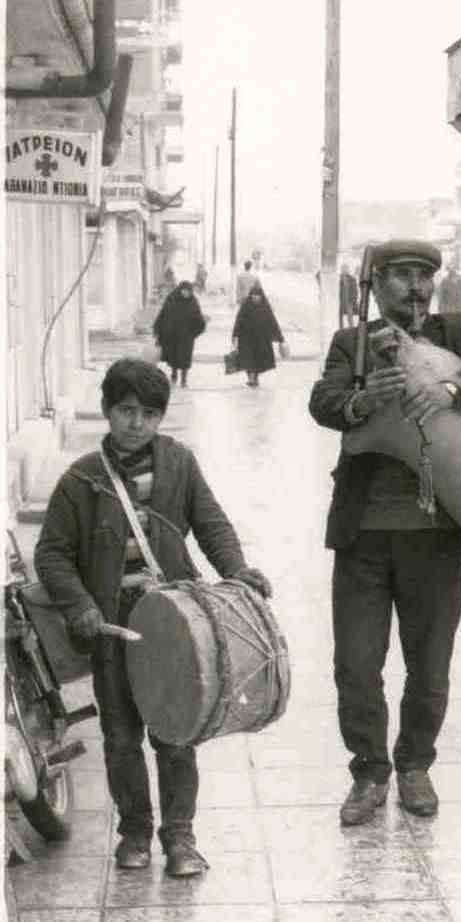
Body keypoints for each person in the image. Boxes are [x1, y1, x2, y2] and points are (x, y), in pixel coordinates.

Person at [34, 358, 272, 876]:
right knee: (121, 736)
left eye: (147, 413)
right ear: (107, 411)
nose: (136, 423)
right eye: (124, 411)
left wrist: (238, 571)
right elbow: (52, 553)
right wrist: (81, 607)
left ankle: (180, 838)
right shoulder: (82, 479)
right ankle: (134, 834)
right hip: (112, 627)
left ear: (161, 416)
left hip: (175, 624)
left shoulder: (178, 464)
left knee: (176, 732)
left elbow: (212, 525)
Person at [308, 239, 461, 826]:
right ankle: (369, 773)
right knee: (357, 664)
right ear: (377, 283)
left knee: (430, 664)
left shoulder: (456, 330)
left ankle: (415, 766)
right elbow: (323, 402)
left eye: (423, 275)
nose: (414, 287)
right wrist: (362, 398)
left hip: (435, 535)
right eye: (400, 276)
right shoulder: (354, 343)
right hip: (363, 536)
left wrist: (451, 389)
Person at [153, 280, 206, 388]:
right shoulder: (171, 298)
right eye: (184, 291)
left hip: (187, 336)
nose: (186, 293)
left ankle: (184, 378)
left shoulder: (193, 301)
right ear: (180, 290)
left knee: (185, 357)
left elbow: (199, 318)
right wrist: (158, 329)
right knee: (174, 356)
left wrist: (195, 331)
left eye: (188, 291)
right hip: (172, 335)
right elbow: (163, 314)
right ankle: (174, 374)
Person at [232, 282, 286, 388]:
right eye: (254, 295)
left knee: (258, 360)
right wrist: (235, 335)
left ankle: (254, 377)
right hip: (246, 339)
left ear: (261, 296)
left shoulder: (265, 308)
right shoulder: (246, 306)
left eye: (258, 295)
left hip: (261, 339)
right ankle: (251, 379)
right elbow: (238, 320)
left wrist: (280, 338)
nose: (255, 297)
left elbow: (272, 322)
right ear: (251, 295)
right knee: (248, 360)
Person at [339, 262, 359, 329]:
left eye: (345, 269)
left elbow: (355, 291)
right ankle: (341, 328)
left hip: (349, 301)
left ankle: (351, 328)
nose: (344, 270)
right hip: (341, 300)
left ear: (348, 270)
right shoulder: (339, 278)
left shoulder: (352, 279)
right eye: (343, 269)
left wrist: (354, 300)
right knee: (340, 316)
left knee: (350, 316)